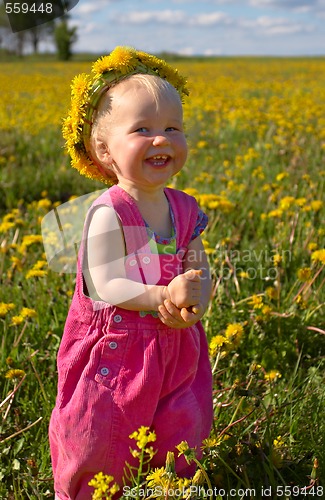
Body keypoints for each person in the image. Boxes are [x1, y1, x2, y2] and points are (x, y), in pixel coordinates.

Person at [49, 46, 213, 499]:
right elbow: (106, 282)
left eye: (172, 128)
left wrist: (199, 296)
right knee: (103, 435)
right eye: (143, 129)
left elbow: (198, 263)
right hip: (116, 356)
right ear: (104, 150)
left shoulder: (184, 208)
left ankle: (171, 489)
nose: (161, 139)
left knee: (182, 426)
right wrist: (162, 296)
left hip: (176, 346)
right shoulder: (110, 212)